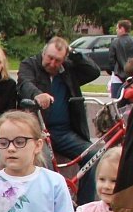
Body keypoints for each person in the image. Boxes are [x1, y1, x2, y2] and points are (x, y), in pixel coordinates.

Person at [18, 37, 102, 203]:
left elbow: (94, 72)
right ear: (43, 53)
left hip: (65, 132)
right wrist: (37, 95)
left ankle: (84, 207)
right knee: (45, 164)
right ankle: (46, 206)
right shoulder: (30, 64)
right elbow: (24, 84)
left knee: (94, 155)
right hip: (37, 131)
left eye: (58, 60)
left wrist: (73, 53)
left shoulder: (68, 70)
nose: (52, 63)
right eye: (49, 58)